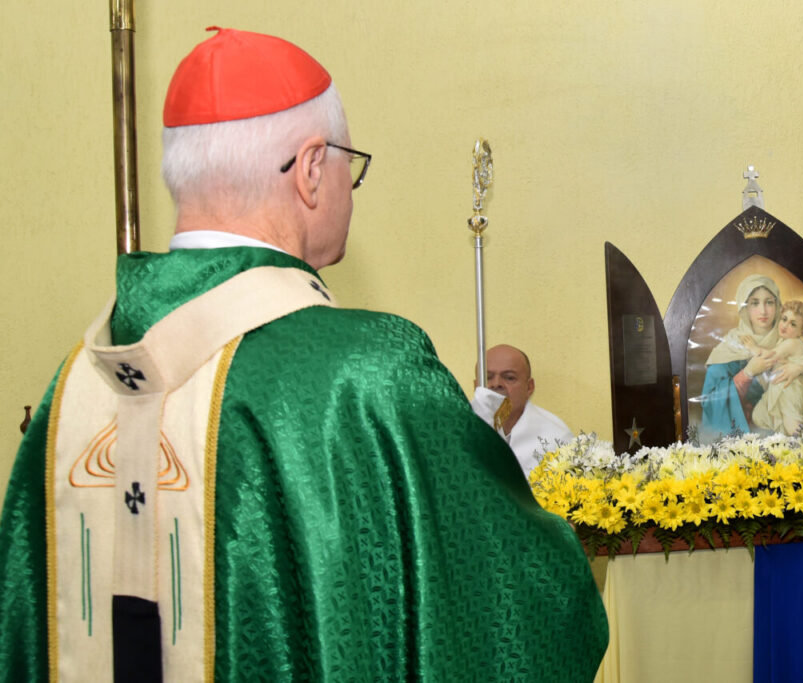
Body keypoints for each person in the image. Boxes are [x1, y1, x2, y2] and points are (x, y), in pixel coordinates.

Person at [0, 28, 607, 682]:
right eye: (350, 165)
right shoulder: (369, 375)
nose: (351, 185)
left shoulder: (74, 391)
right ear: (313, 168)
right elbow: (524, 601)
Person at [699, 274, 803, 441]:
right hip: (747, 440)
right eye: (755, 303)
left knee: (793, 427)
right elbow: (710, 401)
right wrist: (747, 373)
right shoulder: (730, 347)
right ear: (744, 308)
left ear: (777, 305)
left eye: (769, 302)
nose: (763, 311)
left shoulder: (789, 338)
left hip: (791, 433)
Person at [471, 344, 574, 478]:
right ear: (476, 386)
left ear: (529, 387)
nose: (496, 384)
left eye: (509, 377)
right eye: (488, 377)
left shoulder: (556, 438)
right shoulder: (457, 431)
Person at [741, 300, 803, 436]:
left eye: (793, 324)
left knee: (793, 428)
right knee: (759, 416)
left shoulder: (793, 343)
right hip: (780, 389)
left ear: (802, 331)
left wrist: (753, 347)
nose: (785, 325)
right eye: (784, 319)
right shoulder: (784, 341)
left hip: (790, 391)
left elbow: (770, 356)